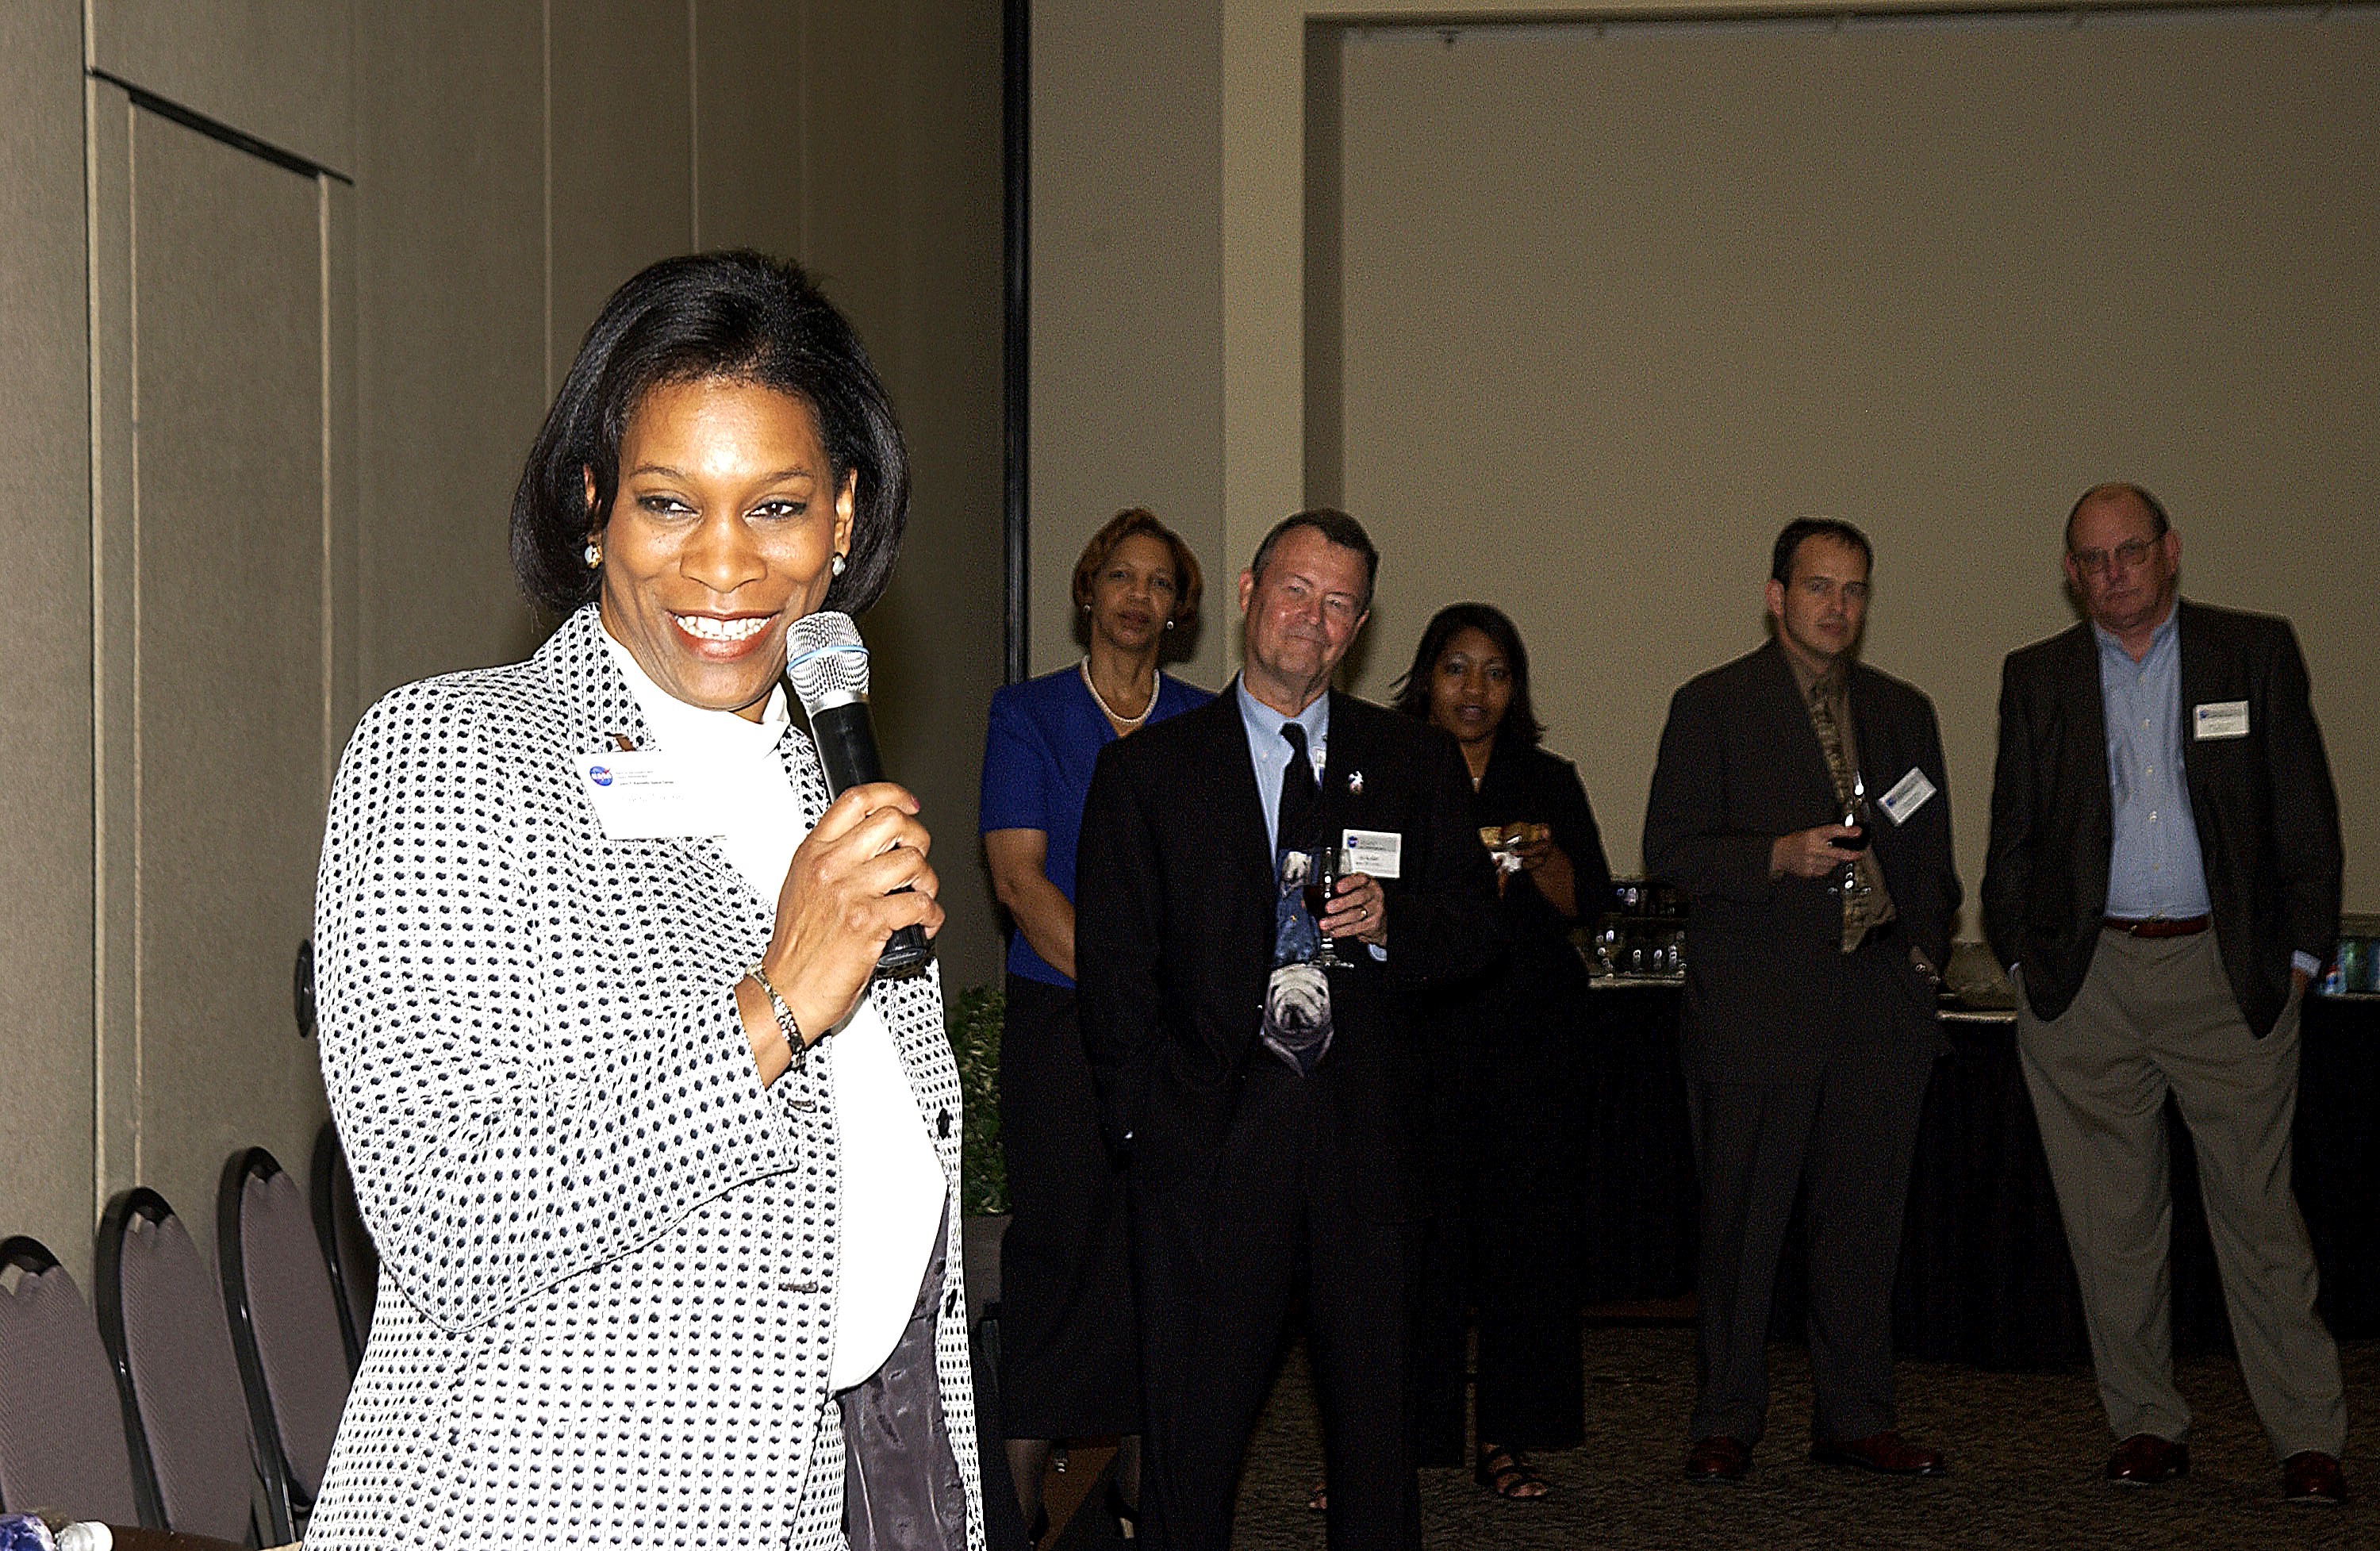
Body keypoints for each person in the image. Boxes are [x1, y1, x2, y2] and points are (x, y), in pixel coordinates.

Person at [307, 252, 984, 1549]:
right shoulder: (451, 752)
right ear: (592, 506)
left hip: (856, 1486)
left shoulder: (831, 784)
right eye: (671, 504)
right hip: (550, 1507)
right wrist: (774, 1009)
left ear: (843, 518)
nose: (723, 568)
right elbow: (449, 1217)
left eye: (776, 509)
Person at [1074, 511, 1501, 1550]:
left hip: (1366, 1145)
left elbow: (1478, 929)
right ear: (1252, 590)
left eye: (1339, 603)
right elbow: (1116, 973)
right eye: (1298, 591)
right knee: (1196, 1431)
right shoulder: (1151, 772)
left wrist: (1397, 922)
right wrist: (1144, 1129)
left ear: (1359, 625)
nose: (1314, 618)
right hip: (1210, 1146)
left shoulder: (1414, 762)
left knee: (1374, 1431)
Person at [1980, 482, 2347, 1506]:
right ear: (2070, 573)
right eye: (2092, 560)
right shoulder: (2037, 675)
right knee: (2112, 1227)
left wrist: (2303, 958)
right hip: (2087, 981)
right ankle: (2146, 1422)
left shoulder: (2253, 650)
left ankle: (2308, 1434)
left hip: (2224, 975)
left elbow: (2304, 814)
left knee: (2259, 1219)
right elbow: (2012, 834)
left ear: (2170, 551)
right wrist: (2024, 963)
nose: (2114, 574)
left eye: (2129, 551)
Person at [1643, 517, 1959, 1485]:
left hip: (1878, 1005)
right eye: (1819, 587)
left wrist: (1922, 961)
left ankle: (1856, 1415)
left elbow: (1934, 857)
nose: (1838, 607)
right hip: (1758, 1009)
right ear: (1777, 595)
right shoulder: (1713, 705)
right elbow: (1671, 856)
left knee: (1865, 1226)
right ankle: (1726, 1419)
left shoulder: (1904, 710)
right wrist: (1777, 855)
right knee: (1742, 1230)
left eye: (1855, 590)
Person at [979, 508, 1210, 1536]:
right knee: (1061, 1245)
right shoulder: (1027, 712)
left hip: (1176, 1037)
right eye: (1120, 574)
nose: (1137, 596)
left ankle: (1142, 1477)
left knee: (1165, 1248)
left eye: (1158, 582)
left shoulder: (1207, 723)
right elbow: (1018, 880)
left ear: (1180, 607)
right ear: (1086, 590)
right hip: (1060, 1023)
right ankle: (1018, 1488)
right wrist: (1126, 990)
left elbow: (1217, 887)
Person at [1392, 602, 1612, 1500]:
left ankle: (1507, 1440)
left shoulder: (1547, 778)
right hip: (1421, 1041)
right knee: (1415, 1252)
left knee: (1524, 1251)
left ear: (1515, 687)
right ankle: (1405, 1441)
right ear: (1426, 677)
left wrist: (1544, 855)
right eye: (1455, 667)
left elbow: (1588, 899)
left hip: (1529, 1048)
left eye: (1494, 671)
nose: (1473, 689)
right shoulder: (1389, 768)